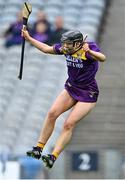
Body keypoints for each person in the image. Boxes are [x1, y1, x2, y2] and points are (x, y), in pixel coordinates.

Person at [21, 28, 106, 169]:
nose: (64, 47)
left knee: (68, 124)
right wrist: (29, 38)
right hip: (71, 87)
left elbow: (103, 58)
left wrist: (89, 52)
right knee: (52, 114)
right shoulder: (67, 48)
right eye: (64, 44)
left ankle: (53, 156)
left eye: (68, 44)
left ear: (78, 43)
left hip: (88, 93)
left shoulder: (89, 48)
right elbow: (47, 49)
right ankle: (38, 148)